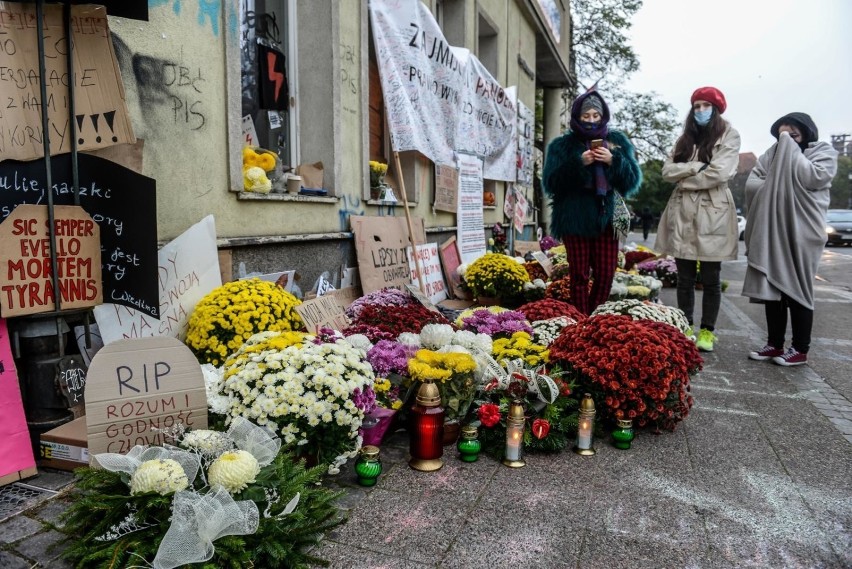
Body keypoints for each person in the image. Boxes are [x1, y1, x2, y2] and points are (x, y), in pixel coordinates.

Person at [743, 113, 838, 366]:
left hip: (803, 234)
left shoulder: (823, 152)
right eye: (781, 135)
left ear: (806, 133)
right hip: (773, 231)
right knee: (773, 288)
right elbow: (753, 183)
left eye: (793, 135)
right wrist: (775, 185)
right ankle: (774, 344)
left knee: (798, 290)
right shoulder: (770, 154)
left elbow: (813, 178)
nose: (785, 141)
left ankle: (800, 349)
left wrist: (787, 152)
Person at [655, 86, 740, 352]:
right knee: (684, 276)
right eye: (697, 105)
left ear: (716, 108)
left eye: (706, 105)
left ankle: (707, 331)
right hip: (682, 211)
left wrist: (685, 179)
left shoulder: (729, 135)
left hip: (713, 210)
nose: (700, 110)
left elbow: (719, 173)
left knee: (712, 277)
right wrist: (694, 167)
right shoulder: (684, 139)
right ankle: (684, 326)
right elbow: (667, 171)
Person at [543, 89, 642, 315]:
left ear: (603, 116)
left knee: (606, 272)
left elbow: (632, 181)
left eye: (595, 116)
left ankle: (594, 316)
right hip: (574, 218)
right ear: (577, 117)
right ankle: (580, 319)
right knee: (579, 275)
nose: (590, 121)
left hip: (605, 218)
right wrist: (579, 163)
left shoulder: (616, 142)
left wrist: (613, 161)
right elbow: (551, 182)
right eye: (585, 116)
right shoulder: (562, 146)